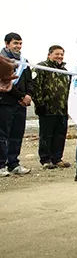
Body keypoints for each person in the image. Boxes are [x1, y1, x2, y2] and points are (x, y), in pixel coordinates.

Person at [32, 45, 72, 170]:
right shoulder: (41, 68)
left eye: (61, 54)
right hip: (47, 108)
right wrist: (39, 104)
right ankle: (46, 159)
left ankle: (57, 158)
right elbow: (36, 86)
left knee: (60, 134)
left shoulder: (65, 71)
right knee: (46, 135)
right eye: (57, 54)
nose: (59, 56)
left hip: (62, 109)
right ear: (49, 54)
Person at [0, 33, 33, 177]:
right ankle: (1, 165)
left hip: (21, 104)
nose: (18, 46)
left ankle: (13, 163)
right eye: (15, 43)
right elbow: (6, 84)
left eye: (20, 43)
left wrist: (29, 95)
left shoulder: (24, 62)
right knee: (2, 135)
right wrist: (22, 96)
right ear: (7, 44)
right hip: (5, 102)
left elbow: (30, 81)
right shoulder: (2, 61)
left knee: (17, 134)